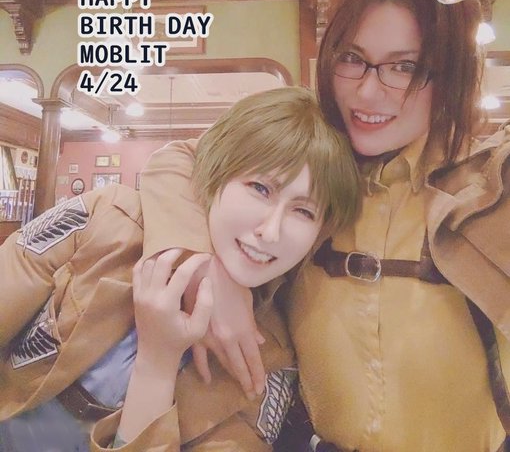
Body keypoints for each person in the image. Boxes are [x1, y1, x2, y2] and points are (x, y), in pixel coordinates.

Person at [137, 0, 510, 452]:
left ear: (449, 74)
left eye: (405, 66)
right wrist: (204, 271)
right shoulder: (313, 171)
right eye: (352, 58)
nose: (367, 92)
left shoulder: (489, 184)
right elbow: (178, 160)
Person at [0, 86, 359, 452]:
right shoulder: (103, 219)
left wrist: (158, 361)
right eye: (260, 188)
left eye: (303, 211)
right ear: (216, 175)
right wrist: (204, 272)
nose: (270, 231)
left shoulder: (268, 358)